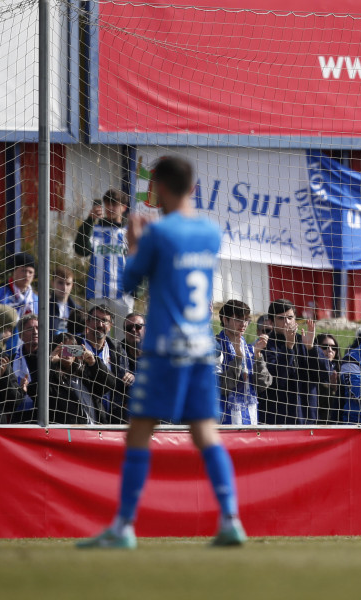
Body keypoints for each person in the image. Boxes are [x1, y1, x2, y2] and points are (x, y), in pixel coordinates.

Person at [77, 156, 246, 549]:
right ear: (193, 188)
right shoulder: (209, 232)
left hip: (165, 349)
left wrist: (135, 245)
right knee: (206, 433)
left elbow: (128, 283)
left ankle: (123, 527)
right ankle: (231, 519)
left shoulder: (158, 234)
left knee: (138, 434)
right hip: (202, 348)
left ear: (162, 189)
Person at [74, 188, 133, 336]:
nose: (111, 208)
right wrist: (89, 220)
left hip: (123, 295)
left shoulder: (129, 231)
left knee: (123, 338)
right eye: (108, 204)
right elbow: (80, 250)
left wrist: (137, 290)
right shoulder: (94, 229)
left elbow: (139, 259)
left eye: (115, 204)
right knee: (96, 335)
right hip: (97, 293)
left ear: (124, 207)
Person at [261, 298, 322, 424]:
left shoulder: (304, 340)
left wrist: (311, 348)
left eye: (290, 317)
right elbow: (277, 379)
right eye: (281, 318)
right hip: (278, 420)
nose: (287, 322)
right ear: (271, 322)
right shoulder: (265, 345)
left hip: (307, 419)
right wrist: (288, 348)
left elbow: (323, 375)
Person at [216, 300, 271, 426]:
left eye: (246, 320)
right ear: (225, 320)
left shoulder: (250, 348)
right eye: (238, 319)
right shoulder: (216, 346)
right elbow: (220, 386)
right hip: (224, 419)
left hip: (250, 417)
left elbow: (263, 385)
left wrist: (258, 356)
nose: (244, 324)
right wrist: (238, 359)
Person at [79, 303, 132, 424]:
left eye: (104, 321)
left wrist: (132, 378)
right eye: (96, 319)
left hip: (111, 419)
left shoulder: (118, 351)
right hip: (83, 418)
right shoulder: (75, 344)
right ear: (87, 322)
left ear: (111, 326)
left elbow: (122, 385)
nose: (100, 324)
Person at [0, 252, 39, 357]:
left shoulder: (37, 301)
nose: (27, 275)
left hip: (28, 352)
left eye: (30, 272)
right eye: (23, 270)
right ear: (14, 271)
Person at [313, 333, 341, 424]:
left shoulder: (341, 369)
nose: (330, 350)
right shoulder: (312, 369)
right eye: (324, 347)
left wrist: (335, 388)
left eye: (333, 347)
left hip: (336, 420)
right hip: (317, 420)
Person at [48, 265, 82, 336]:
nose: (64, 287)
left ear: (72, 285)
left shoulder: (78, 310)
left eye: (68, 284)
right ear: (52, 283)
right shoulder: (45, 308)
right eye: (60, 283)